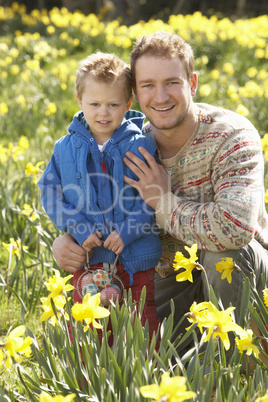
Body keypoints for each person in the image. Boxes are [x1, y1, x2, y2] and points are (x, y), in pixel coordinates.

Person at [51, 33, 268, 355]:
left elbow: (233, 230)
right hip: (168, 273)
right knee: (136, 355)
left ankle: (227, 371)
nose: (161, 96)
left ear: (192, 83)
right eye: (148, 85)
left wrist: (162, 200)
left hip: (242, 274)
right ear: (134, 94)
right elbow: (93, 205)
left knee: (225, 256)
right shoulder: (127, 144)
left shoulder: (231, 135)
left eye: (172, 82)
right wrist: (67, 239)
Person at [38, 51, 162, 342]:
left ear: (127, 104)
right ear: (80, 102)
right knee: (88, 329)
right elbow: (50, 193)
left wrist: (127, 232)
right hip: (89, 259)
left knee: (142, 324)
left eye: (113, 104)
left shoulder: (142, 145)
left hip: (135, 259)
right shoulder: (64, 148)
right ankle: (88, 382)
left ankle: (145, 377)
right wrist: (79, 229)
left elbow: (153, 197)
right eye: (94, 104)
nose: (103, 113)